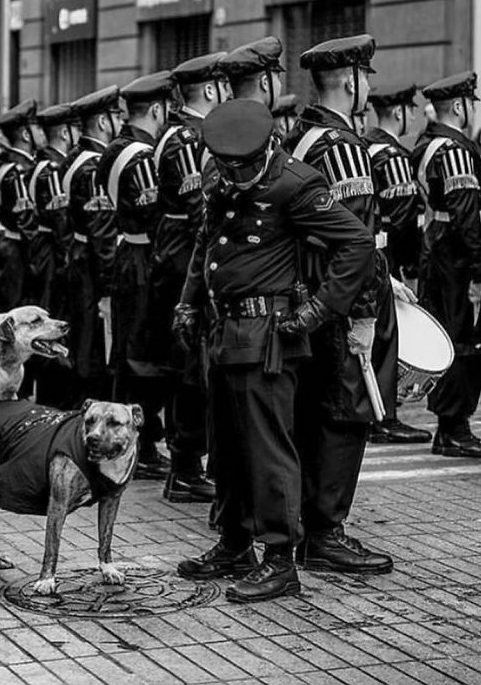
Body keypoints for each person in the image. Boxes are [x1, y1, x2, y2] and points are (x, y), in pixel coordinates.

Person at [174, 99, 376, 601]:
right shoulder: (219, 176)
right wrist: (188, 304)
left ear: (264, 150)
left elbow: (358, 244)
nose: (233, 176)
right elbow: (206, 242)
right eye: (225, 166)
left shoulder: (296, 182)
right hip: (223, 331)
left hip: (270, 335)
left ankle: (281, 558)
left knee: (268, 450)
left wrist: (319, 312)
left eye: (241, 167)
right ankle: (234, 542)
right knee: (227, 447)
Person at [283, 34, 393, 574]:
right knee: (345, 412)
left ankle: (309, 524)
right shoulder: (345, 146)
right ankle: (326, 532)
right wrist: (367, 313)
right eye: (366, 77)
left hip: (310, 294)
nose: (368, 87)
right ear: (350, 80)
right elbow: (357, 238)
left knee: (313, 410)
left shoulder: (300, 136)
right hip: (341, 302)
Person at [155, 52, 230, 503]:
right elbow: (199, 211)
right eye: (221, 86)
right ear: (209, 90)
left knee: (194, 370)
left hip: (185, 261)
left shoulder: (190, 135)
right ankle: (184, 468)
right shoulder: (188, 140)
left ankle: (187, 462)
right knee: (189, 372)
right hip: (187, 264)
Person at [97, 71, 174, 478]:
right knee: (142, 357)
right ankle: (138, 449)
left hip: (128, 253)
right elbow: (153, 212)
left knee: (130, 352)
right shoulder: (141, 156)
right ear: (158, 108)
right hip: (144, 257)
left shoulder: (114, 148)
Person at [412, 72, 481, 457]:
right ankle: (454, 427)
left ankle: (449, 426)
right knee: (464, 340)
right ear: (459, 106)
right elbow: (467, 217)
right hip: (455, 259)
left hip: (436, 252)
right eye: (471, 103)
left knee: (449, 338)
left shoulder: (427, 143)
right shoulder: (455, 151)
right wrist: (479, 271)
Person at [365, 84, 431, 445]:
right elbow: (404, 218)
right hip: (384, 251)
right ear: (399, 112)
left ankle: (376, 411)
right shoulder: (392, 155)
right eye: (411, 108)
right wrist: (407, 266)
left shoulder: (367, 145)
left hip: (367, 248)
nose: (415, 115)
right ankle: (385, 417)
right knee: (386, 335)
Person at [64, 86, 123, 401]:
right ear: (102, 122)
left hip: (78, 253)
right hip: (91, 262)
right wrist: (108, 286)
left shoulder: (75, 158)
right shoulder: (93, 166)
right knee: (94, 340)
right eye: (115, 116)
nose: (119, 121)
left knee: (83, 334)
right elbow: (102, 232)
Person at [27, 102, 79, 407]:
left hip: (42, 249)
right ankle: (50, 397)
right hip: (51, 254)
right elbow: (60, 220)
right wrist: (66, 260)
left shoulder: (42, 164)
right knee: (51, 323)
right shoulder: (51, 168)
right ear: (64, 131)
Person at [0, 101, 41, 313]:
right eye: (37, 128)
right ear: (26, 135)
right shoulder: (17, 171)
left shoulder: (9, 165)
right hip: (18, 252)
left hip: (12, 247)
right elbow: (27, 222)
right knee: (16, 313)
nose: (42, 132)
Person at [218, 37, 285, 109]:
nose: (280, 84)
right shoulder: (263, 119)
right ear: (265, 82)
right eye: (278, 77)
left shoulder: (215, 119)